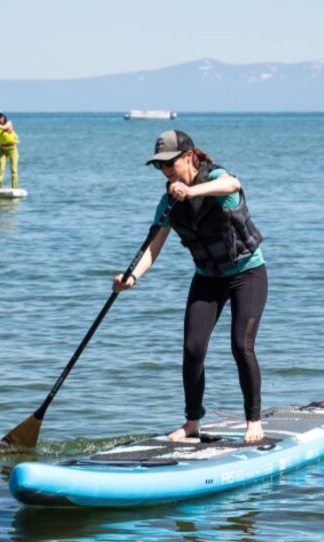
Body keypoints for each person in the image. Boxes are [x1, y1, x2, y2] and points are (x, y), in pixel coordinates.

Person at [113, 130, 267, 443]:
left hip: (246, 274)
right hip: (207, 277)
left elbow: (233, 185)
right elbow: (153, 248)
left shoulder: (216, 179)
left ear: (189, 156)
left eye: (171, 163)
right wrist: (131, 278)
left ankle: (254, 421)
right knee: (193, 349)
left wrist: (194, 192)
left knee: (241, 345)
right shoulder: (168, 202)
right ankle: (192, 423)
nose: (166, 171)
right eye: (160, 166)